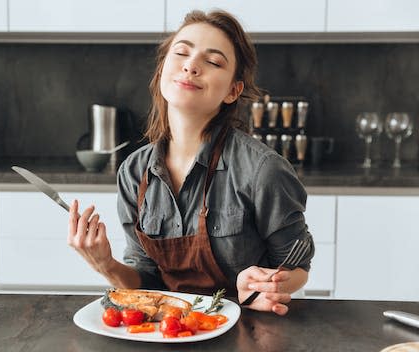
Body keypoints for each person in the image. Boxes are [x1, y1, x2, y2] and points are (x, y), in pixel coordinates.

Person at [68, 9, 315, 316]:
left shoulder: (263, 170)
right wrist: (106, 264)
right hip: (168, 332)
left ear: (232, 91)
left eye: (212, 61)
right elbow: (145, 283)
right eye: (182, 52)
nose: (191, 65)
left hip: (247, 330)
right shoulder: (134, 172)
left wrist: (268, 284)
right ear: (162, 70)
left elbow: (297, 268)